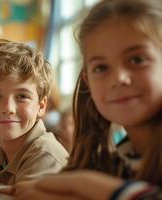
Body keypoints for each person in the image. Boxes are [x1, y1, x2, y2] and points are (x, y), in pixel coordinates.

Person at [13, 0, 162, 199]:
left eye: (137, 59)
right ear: (87, 80)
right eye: (101, 68)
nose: (118, 78)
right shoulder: (121, 157)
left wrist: (80, 182)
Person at [0, 40, 68, 187]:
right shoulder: (2, 154)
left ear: (41, 106)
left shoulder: (45, 154)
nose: (8, 108)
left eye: (22, 96)